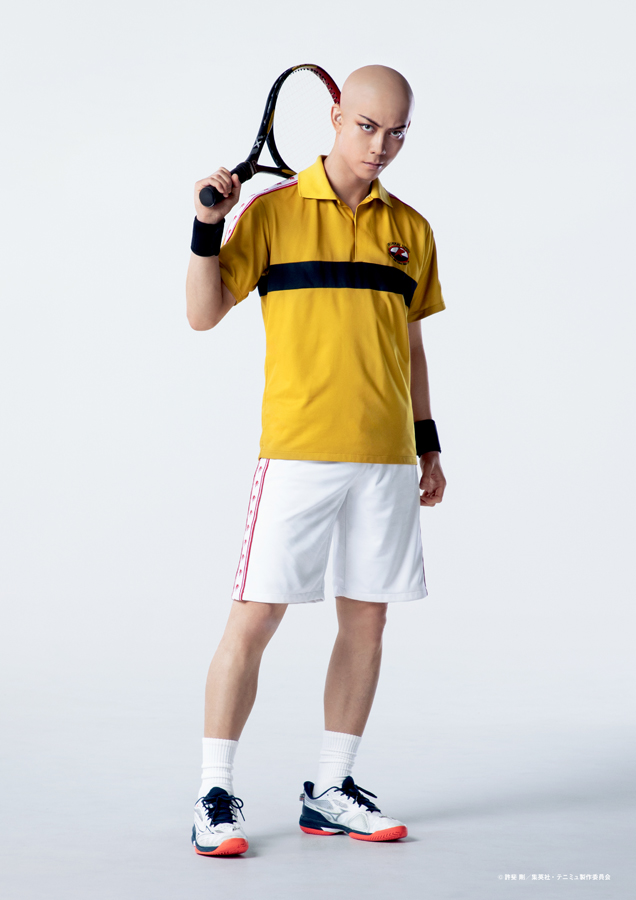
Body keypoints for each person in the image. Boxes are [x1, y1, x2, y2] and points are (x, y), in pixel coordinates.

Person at [185, 64, 446, 857]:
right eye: (367, 126)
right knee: (255, 619)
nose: (382, 145)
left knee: (367, 621)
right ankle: (213, 793)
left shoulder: (412, 228)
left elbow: (411, 346)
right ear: (335, 116)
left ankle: (331, 789)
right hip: (299, 453)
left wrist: (428, 442)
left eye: (397, 132)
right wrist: (206, 227)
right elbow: (202, 314)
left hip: (386, 457)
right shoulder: (272, 213)